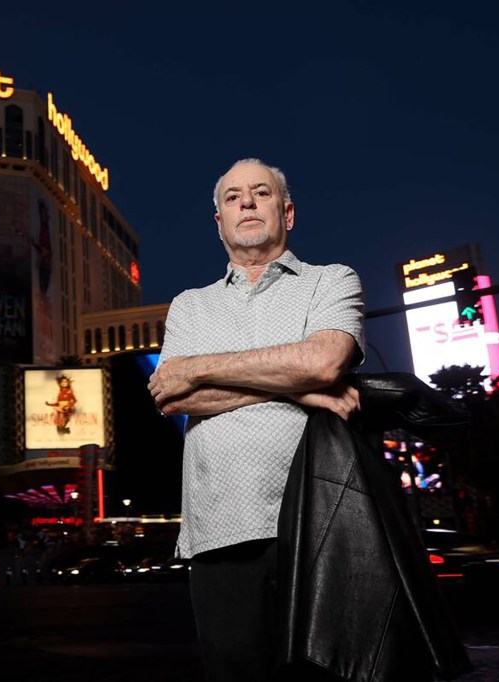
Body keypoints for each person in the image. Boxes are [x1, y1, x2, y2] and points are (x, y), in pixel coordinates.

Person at [147, 158, 365, 682]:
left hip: (320, 522)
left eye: (261, 193)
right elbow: (170, 398)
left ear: (287, 213)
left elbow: (323, 362)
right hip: (220, 527)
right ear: (218, 221)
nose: (246, 202)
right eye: (232, 197)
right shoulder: (189, 306)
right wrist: (302, 394)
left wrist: (199, 369)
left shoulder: (330, 280)